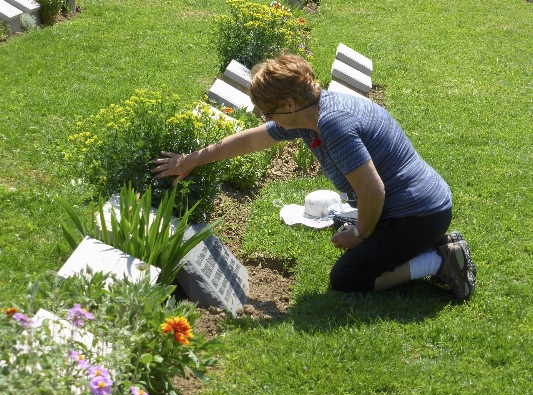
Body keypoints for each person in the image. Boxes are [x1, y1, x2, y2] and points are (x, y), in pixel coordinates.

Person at [151, 54, 477, 300]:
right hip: (420, 206)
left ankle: (439, 259)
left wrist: (361, 234)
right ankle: (428, 244)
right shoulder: (314, 113)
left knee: (348, 278)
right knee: (360, 248)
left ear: (289, 103)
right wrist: (193, 159)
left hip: (417, 214)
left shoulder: (334, 125)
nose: (267, 118)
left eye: (269, 111)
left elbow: (373, 193)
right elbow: (253, 139)